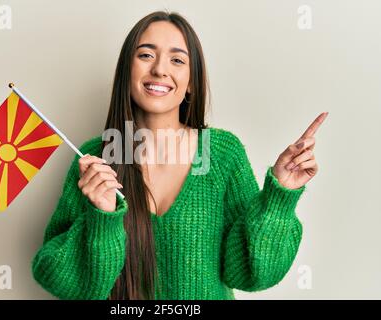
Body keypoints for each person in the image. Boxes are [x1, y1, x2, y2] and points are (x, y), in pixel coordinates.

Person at [31, 11, 328, 300]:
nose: (160, 69)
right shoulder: (95, 157)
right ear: (127, 71)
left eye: (177, 60)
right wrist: (102, 217)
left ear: (191, 83)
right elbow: (61, 281)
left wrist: (280, 196)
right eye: (146, 55)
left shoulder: (220, 153)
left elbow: (251, 273)